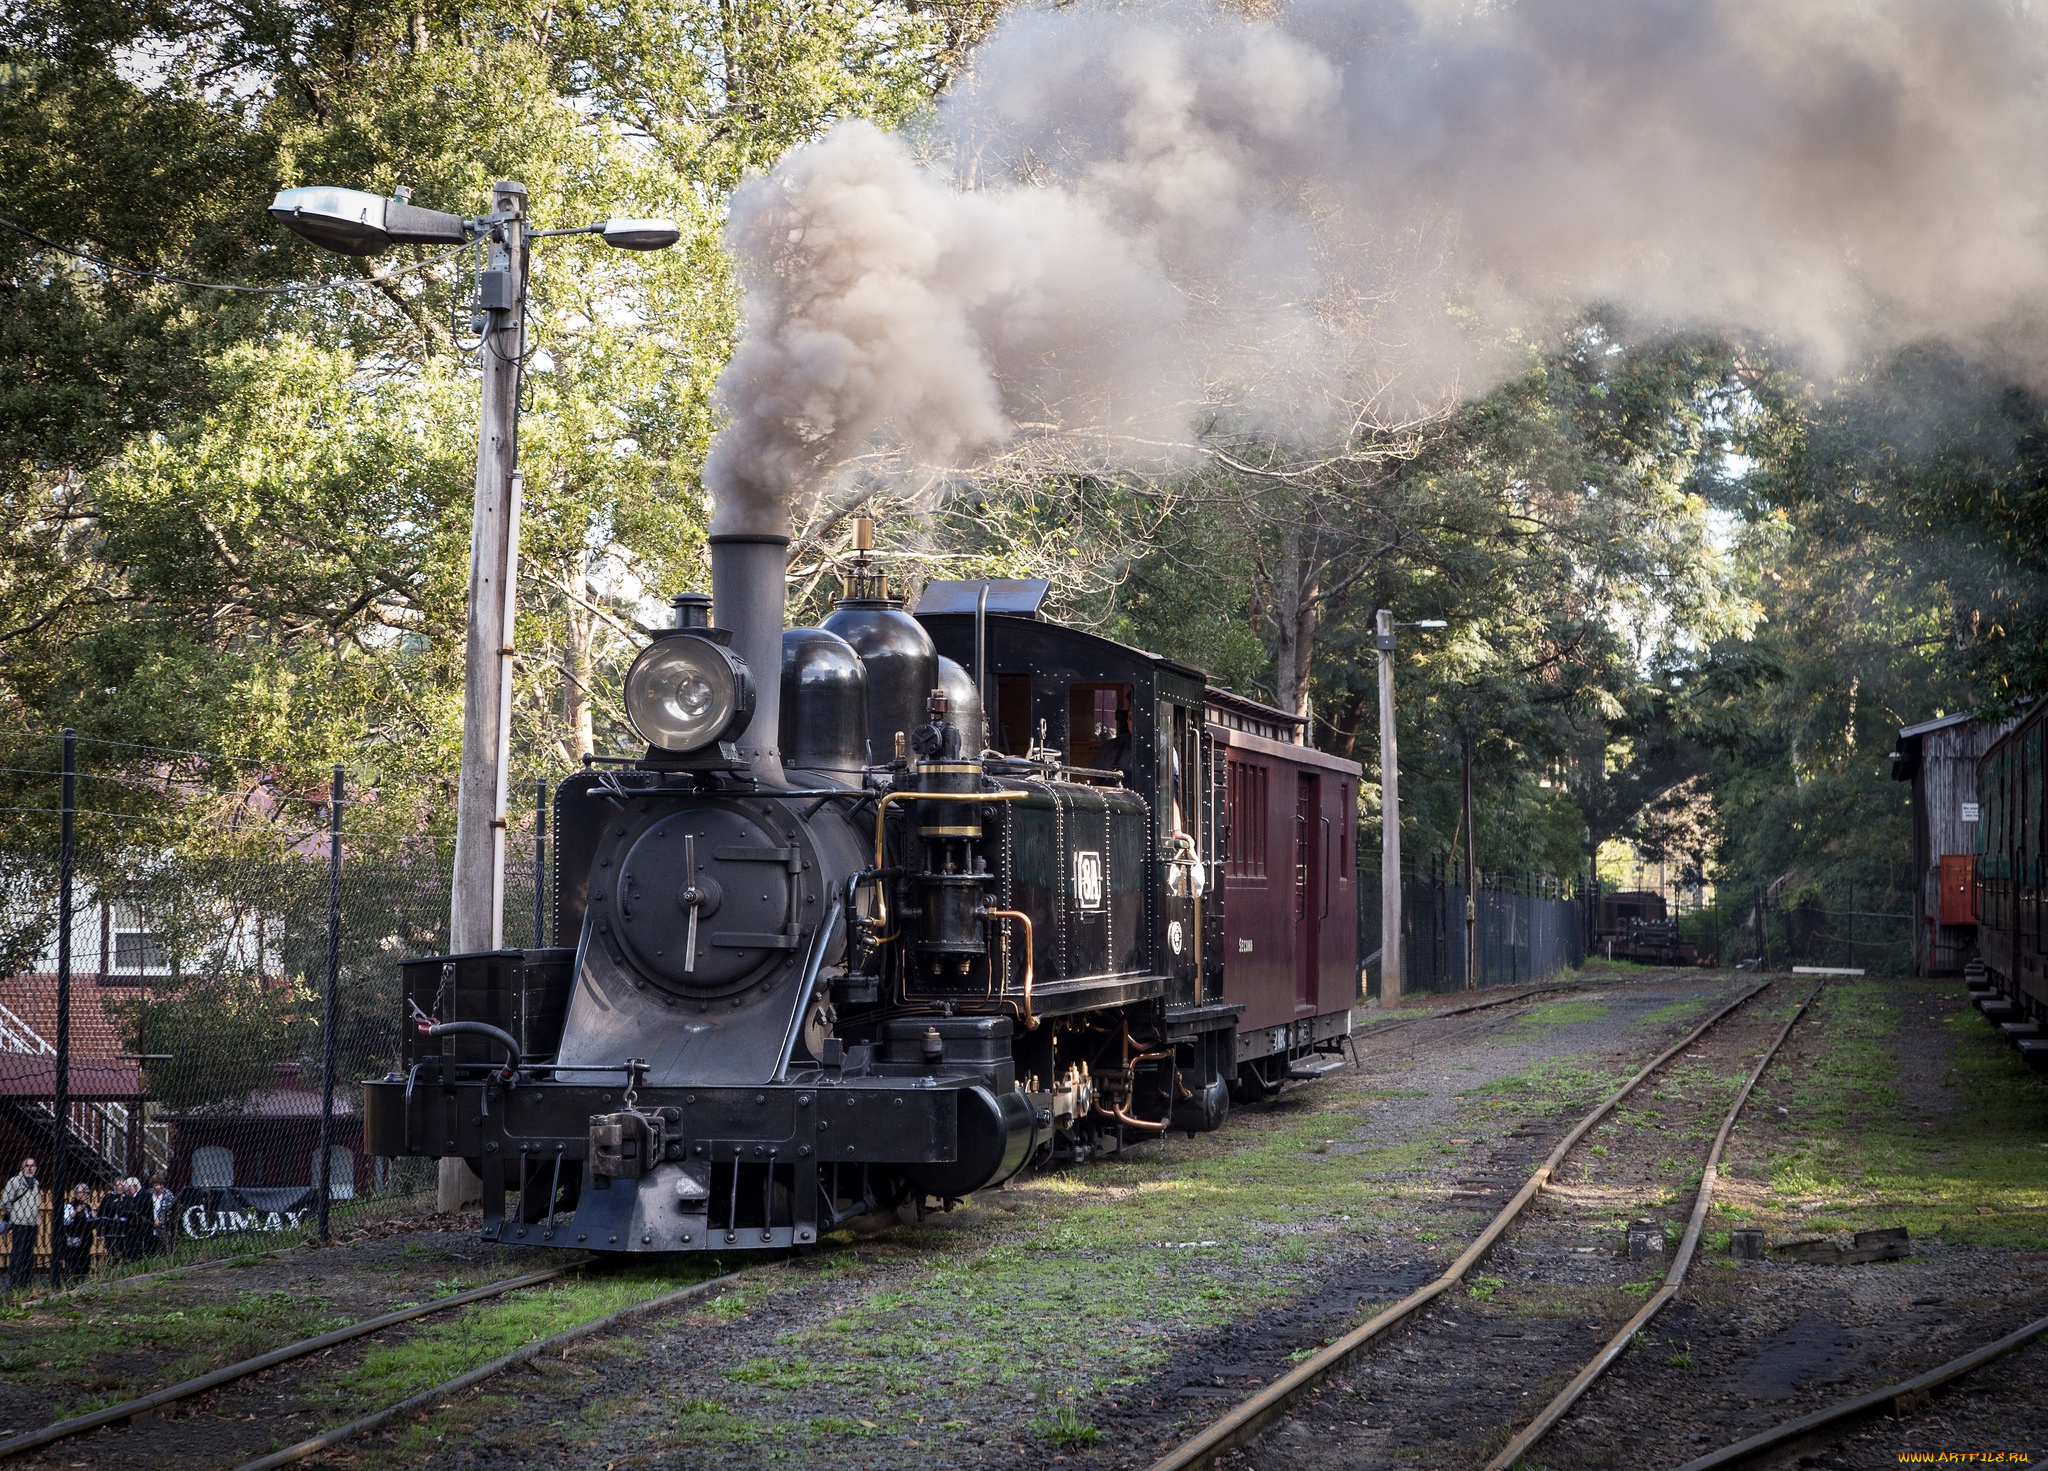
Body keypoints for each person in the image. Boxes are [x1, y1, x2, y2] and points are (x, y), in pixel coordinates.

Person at [0, 1157, 38, 1290]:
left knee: (29, 1252)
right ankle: (14, 1280)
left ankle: (26, 1280)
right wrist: (14, 1214)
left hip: (32, 1222)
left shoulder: (36, 1183)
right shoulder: (14, 1182)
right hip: (19, 1222)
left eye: (32, 1166)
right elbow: (5, 1202)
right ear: (22, 1168)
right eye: (27, 1166)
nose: (29, 1168)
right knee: (18, 1251)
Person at [59, 1184, 94, 1284]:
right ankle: (72, 1281)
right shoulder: (70, 1206)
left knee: (84, 1263)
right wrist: (75, 1212)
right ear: (75, 1194)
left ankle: (82, 1281)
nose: (83, 1194)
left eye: (85, 1192)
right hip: (73, 1238)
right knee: (73, 1262)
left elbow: (90, 1220)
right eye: (80, 1192)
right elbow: (66, 1221)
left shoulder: (88, 1207)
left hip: (85, 1240)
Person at [146, 1175, 174, 1256]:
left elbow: (171, 1210)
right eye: (156, 1185)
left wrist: (161, 1221)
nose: (158, 1187)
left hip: (164, 1226)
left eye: (160, 1184)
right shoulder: (148, 1194)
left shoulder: (168, 1194)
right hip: (151, 1224)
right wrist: (152, 1221)